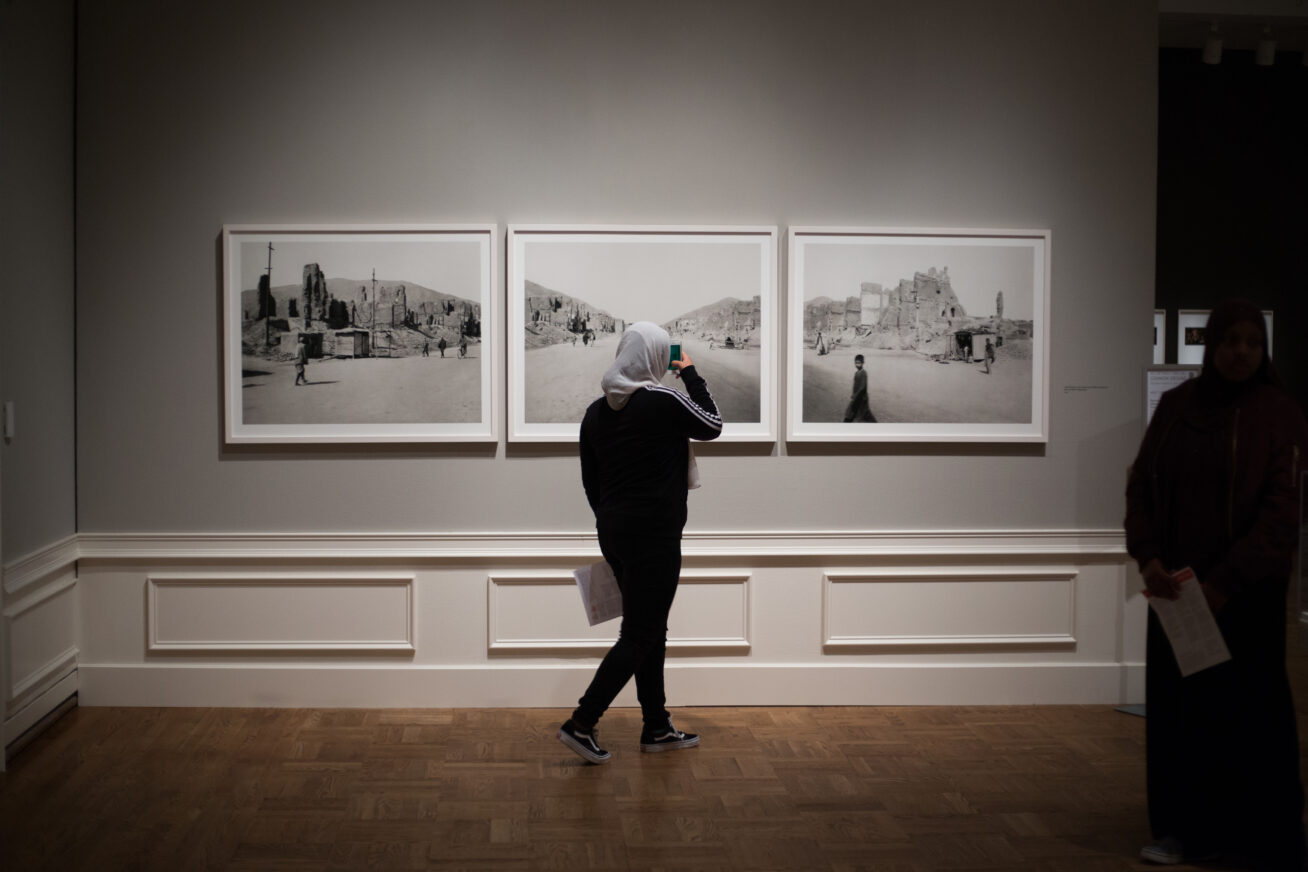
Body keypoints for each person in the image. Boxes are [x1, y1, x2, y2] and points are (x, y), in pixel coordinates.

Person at [1125, 298, 1307, 868]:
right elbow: (1143, 487)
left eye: (1253, 343)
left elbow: (1282, 510)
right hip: (1179, 591)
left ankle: (1257, 835)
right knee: (1183, 714)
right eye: (1232, 341)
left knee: (1250, 712)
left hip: (1247, 595)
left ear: (1264, 349)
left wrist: (1227, 579)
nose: (1241, 352)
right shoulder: (1179, 407)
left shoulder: (1279, 414)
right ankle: (1182, 830)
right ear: (1213, 345)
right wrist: (1149, 558)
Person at [558, 321, 723, 764]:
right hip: (655, 535)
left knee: (650, 628)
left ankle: (656, 725)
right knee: (641, 631)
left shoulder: (595, 412)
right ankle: (581, 722)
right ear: (653, 356)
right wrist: (687, 370)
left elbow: (591, 483)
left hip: (614, 533)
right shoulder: (661, 399)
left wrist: (613, 523)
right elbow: (712, 423)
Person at [843, 354, 876, 422]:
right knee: (851, 413)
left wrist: (855, 395)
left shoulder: (863, 373)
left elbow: (862, 387)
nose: (857, 364)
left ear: (863, 363)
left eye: (859, 363)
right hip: (857, 398)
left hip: (861, 398)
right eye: (856, 363)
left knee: (864, 414)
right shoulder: (857, 373)